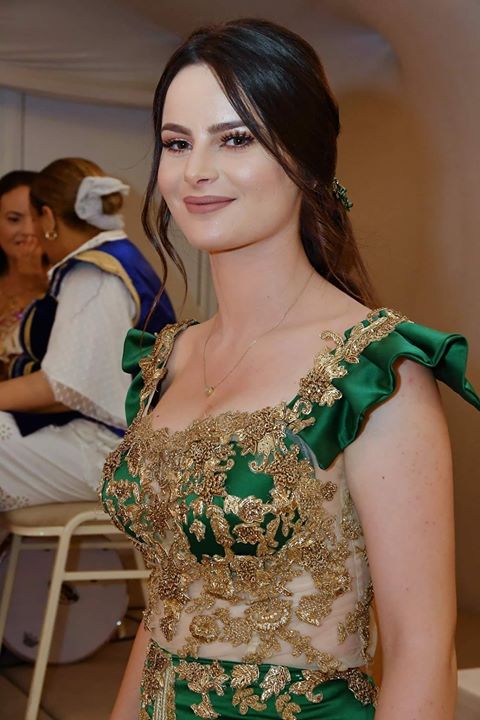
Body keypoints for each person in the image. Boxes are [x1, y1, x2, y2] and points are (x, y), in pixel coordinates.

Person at [100, 19, 480, 720]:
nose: (195, 171)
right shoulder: (165, 360)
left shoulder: (371, 372)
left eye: (235, 139)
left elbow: (422, 648)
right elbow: (168, 603)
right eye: (177, 143)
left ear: (307, 159)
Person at [0, 157, 175, 512]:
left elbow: (61, 387)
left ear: (48, 218)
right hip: (120, 438)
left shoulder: (92, 275)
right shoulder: (116, 258)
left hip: (117, 452)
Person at [0, 170, 48, 379]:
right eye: (14, 219)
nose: (28, 231)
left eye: (36, 218)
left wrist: (35, 282)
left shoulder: (66, 283)